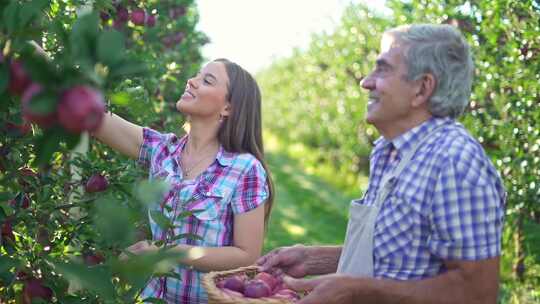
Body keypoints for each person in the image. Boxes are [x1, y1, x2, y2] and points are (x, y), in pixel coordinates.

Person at [257, 24, 505, 304]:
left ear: (422, 89)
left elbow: (476, 293)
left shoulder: (454, 161)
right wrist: (313, 259)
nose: (366, 82)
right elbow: (396, 257)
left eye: (382, 69)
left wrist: (357, 291)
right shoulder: (390, 151)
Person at [93, 58, 274, 303]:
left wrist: (165, 252)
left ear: (228, 108)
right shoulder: (163, 150)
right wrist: (42, 64)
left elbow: (247, 256)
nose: (192, 81)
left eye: (207, 80)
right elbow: (92, 117)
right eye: (197, 75)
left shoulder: (244, 169)